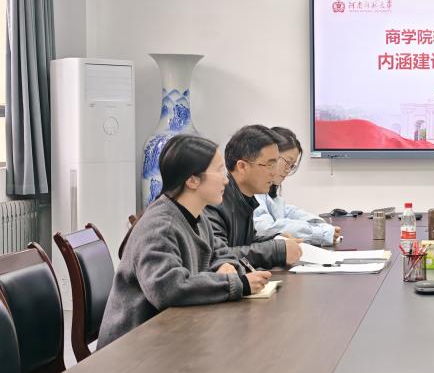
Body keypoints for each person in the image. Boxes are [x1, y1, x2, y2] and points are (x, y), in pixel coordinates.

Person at [99, 135, 271, 347]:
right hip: (133, 346)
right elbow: (167, 288)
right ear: (192, 180)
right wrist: (238, 284)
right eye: (219, 171)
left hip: (171, 333)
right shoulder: (160, 226)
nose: (226, 180)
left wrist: (226, 265)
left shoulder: (198, 216)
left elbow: (220, 252)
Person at [205, 125, 300, 269]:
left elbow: (246, 243)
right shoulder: (215, 201)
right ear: (242, 167)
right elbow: (218, 255)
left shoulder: (244, 199)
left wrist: (277, 239)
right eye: (270, 165)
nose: (274, 173)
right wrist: (276, 250)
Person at [254, 126, 341, 246]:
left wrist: (320, 224)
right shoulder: (253, 191)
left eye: (292, 166)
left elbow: (289, 212)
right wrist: (320, 233)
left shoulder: (268, 193)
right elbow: (266, 229)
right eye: (287, 162)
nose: (288, 170)